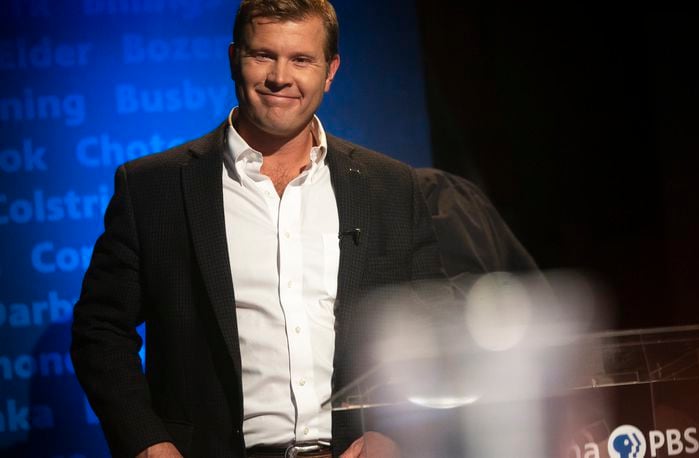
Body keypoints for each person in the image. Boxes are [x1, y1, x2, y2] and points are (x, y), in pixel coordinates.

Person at [70, 1, 442, 457]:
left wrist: (395, 433)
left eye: (301, 59)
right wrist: (148, 442)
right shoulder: (153, 189)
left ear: (330, 71)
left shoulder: (391, 186)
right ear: (233, 59)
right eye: (263, 56)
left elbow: (433, 326)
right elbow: (101, 330)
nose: (280, 77)